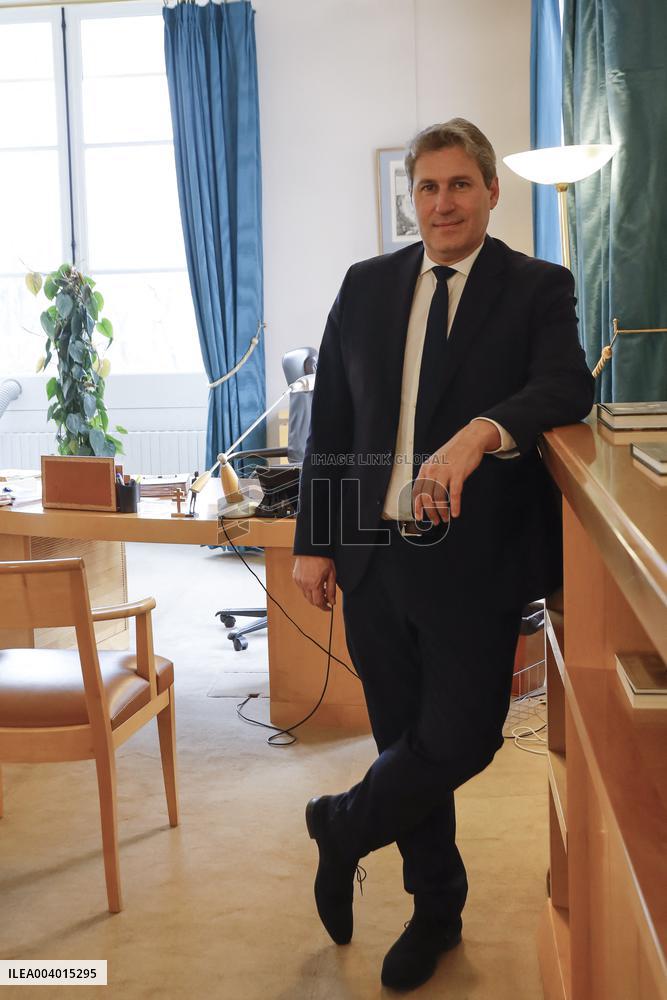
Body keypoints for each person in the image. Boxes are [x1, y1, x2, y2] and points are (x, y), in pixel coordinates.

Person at [292, 118, 594, 992]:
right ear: (410, 199)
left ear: (491, 192)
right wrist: (317, 543)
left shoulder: (537, 285)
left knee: (462, 739)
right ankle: (434, 910)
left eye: (459, 185)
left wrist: (481, 432)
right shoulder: (365, 284)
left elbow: (565, 384)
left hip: (475, 560)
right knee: (403, 740)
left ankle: (340, 825)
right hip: (373, 557)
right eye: (426, 188)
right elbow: (331, 426)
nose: (441, 203)